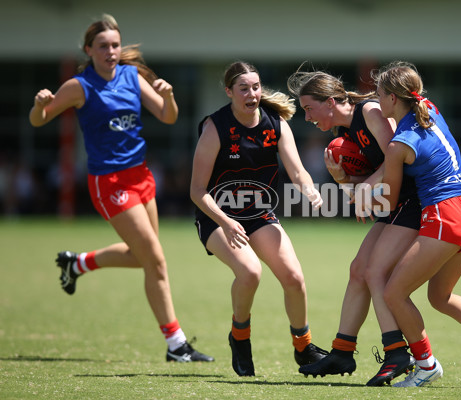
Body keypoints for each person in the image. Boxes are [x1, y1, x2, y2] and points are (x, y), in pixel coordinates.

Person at [28, 14, 213, 363]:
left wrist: (169, 96)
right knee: (155, 260)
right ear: (89, 50)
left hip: (141, 176)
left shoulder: (131, 75)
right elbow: (39, 120)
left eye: (115, 45)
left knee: (143, 257)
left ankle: (78, 264)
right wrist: (39, 106)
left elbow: (167, 115)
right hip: (109, 183)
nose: (111, 51)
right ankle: (177, 345)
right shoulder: (79, 86)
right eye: (103, 46)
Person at [368, 60, 461, 387]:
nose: (376, 101)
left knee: (394, 292)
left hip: (443, 216)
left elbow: (389, 203)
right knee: (440, 296)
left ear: (394, 98)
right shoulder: (430, 108)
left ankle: (426, 364)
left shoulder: (398, 145)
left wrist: (348, 186)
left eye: (379, 94)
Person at [189, 61, 329, 377]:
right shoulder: (216, 127)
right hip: (217, 217)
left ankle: (304, 348)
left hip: (259, 215)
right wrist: (225, 221)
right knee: (250, 272)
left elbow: (297, 170)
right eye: (244, 88)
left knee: (294, 278)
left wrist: (309, 190)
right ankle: (240, 338)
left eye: (256, 87)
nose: (252, 93)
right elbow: (197, 191)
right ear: (229, 92)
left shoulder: (275, 124)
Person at [287, 69, 421, 386]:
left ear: (331, 101)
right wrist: (343, 179)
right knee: (358, 269)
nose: (306, 117)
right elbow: (363, 195)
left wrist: (362, 191)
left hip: (415, 202)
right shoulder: (346, 136)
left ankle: (397, 352)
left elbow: (396, 160)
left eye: (308, 108)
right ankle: (342, 351)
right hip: (394, 205)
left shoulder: (371, 112)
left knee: (374, 272)